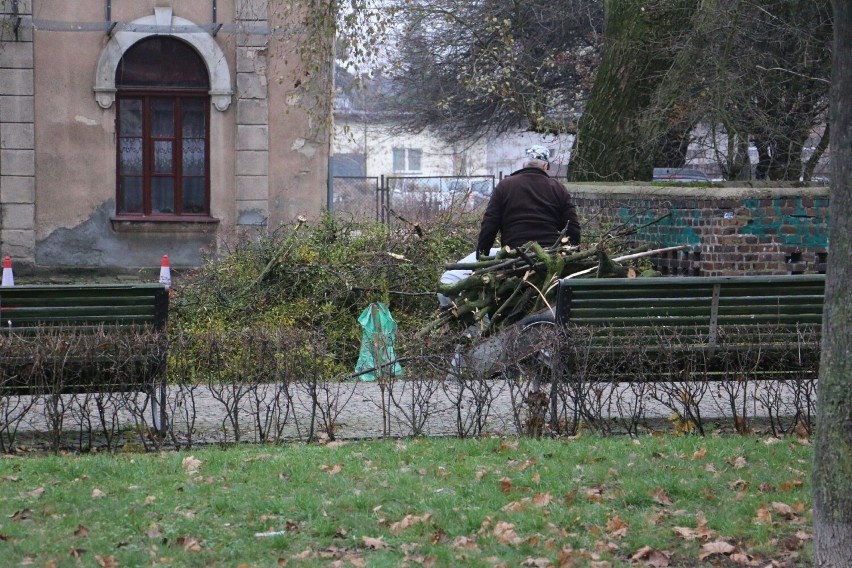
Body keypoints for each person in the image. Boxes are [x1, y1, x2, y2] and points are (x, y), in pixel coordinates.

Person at [475, 146, 581, 259]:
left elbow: (489, 224)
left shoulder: (504, 186)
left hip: (513, 256)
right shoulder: (558, 188)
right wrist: (574, 253)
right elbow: (572, 226)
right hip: (549, 255)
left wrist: (481, 255)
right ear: (545, 166)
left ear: (524, 164)